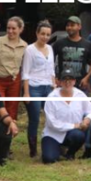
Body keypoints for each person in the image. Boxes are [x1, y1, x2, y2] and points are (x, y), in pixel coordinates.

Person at [41, 68, 91, 164]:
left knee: (79, 135)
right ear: (59, 82)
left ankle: (70, 153)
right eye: (64, 80)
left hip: (72, 133)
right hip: (53, 134)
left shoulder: (80, 95)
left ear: (74, 81)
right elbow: (52, 123)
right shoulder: (52, 97)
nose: (67, 83)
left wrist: (87, 119)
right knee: (49, 159)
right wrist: (75, 125)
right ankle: (57, 149)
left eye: (70, 80)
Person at [22, 21, 56, 158]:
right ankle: (33, 149)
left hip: (48, 87)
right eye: (42, 34)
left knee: (51, 117)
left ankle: (51, 144)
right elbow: (25, 72)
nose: (45, 37)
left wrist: (54, 85)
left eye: (48, 34)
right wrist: (26, 93)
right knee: (35, 118)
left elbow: (52, 69)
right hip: (34, 87)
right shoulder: (30, 49)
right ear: (37, 33)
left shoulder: (50, 48)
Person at [0, 16, 28, 120]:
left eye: (13, 28)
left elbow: (24, 66)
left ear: (20, 29)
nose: (10, 31)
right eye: (8, 28)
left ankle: (10, 129)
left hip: (14, 81)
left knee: (12, 109)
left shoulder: (24, 45)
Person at [52, 16, 91, 92]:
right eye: (67, 25)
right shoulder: (59, 43)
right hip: (63, 83)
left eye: (72, 25)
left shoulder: (87, 44)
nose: (69, 27)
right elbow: (50, 61)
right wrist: (55, 78)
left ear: (79, 27)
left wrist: (87, 78)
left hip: (80, 84)